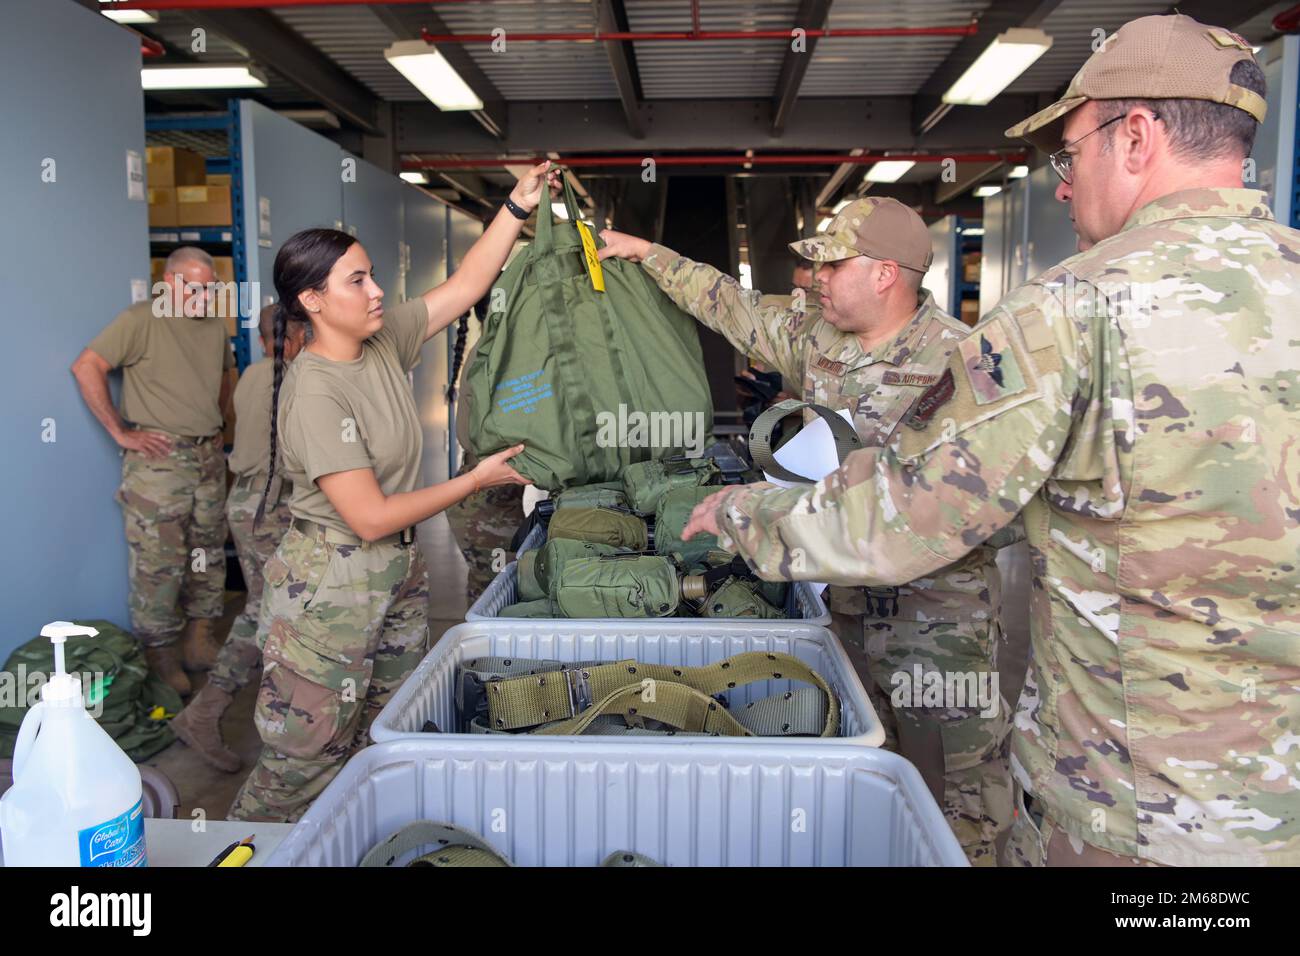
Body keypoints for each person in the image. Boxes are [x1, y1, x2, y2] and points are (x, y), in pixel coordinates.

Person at [680, 14, 1299, 866]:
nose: (1061, 186)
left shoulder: (1068, 313)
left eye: (1069, 153)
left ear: (1138, 138)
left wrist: (746, 516)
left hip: (1123, 821)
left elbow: (906, 512)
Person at [598, 198, 1014, 865]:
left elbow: (999, 499)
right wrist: (649, 254)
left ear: (885, 274)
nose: (814, 278)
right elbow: (729, 305)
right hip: (843, 601)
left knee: (957, 784)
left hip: (938, 620)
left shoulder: (965, 363)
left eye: (831, 263)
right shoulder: (819, 337)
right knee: (858, 755)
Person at [227, 162, 556, 823]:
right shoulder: (315, 391)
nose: (377, 290)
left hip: (395, 572)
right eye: (358, 280)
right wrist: (474, 480)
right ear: (314, 301)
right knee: (304, 760)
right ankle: (248, 846)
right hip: (331, 585)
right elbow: (370, 515)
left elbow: (466, 285)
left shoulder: (382, 342)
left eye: (373, 274)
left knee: (387, 732)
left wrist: (516, 208)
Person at [71, 246, 235, 696]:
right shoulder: (140, 320)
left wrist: (217, 422)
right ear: (169, 282)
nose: (204, 296)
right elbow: (87, 366)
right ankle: (160, 655)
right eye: (195, 287)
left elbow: (226, 374)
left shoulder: (215, 327)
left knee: (207, 553)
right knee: (160, 564)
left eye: (211, 287)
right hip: (159, 464)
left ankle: (199, 640)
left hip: (206, 459)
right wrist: (121, 432)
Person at [171, 304, 308, 772]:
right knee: (270, 614)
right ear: (295, 336)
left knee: (269, 611)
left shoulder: (253, 373)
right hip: (271, 507)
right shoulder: (294, 377)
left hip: (250, 501)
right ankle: (213, 716)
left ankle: (223, 716)